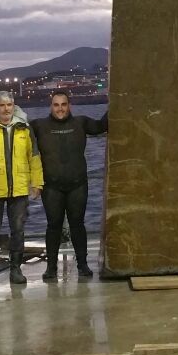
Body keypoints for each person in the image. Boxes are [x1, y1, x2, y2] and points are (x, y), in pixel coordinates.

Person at [31, 90, 107, 280]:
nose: (60, 109)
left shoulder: (80, 122)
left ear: (69, 105)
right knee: (53, 226)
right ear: (51, 106)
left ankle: (82, 264)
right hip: (52, 187)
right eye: (56, 105)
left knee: (78, 225)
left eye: (63, 104)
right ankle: (51, 267)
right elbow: (14, 129)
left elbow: (102, 126)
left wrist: (116, 102)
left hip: (77, 185)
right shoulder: (39, 126)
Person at [0, 91, 43, 287]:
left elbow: (34, 157)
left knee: (18, 231)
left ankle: (16, 270)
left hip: (19, 190)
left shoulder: (25, 129)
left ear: (14, 106)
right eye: (2, 105)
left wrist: (37, 183)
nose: (6, 109)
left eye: (9, 105)